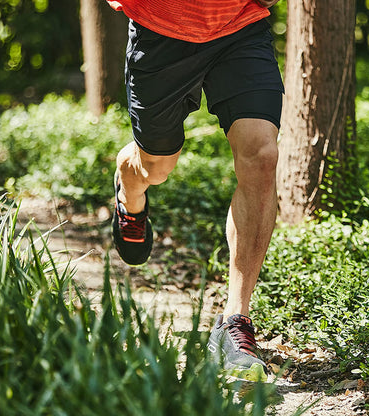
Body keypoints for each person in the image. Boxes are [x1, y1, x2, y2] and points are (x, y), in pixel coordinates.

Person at [107, 0, 284, 381]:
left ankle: (234, 321)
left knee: (261, 154)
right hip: (160, 33)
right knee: (157, 165)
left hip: (240, 27)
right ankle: (129, 186)